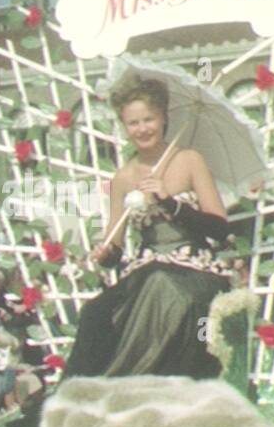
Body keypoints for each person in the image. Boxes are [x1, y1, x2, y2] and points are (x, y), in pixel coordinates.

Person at [64, 78, 232, 379]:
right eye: (133, 123)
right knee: (96, 311)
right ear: (124, 127)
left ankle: (144, 384)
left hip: (196, 268)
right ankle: (95, 389)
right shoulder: (123, 177)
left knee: (163, 286)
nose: (142, 129)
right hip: (145, 270)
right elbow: (114, 245)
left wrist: (170, 203)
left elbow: (219, 228)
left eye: (148, 120)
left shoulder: (189, 160)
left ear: (163, 118)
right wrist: (105, 253)